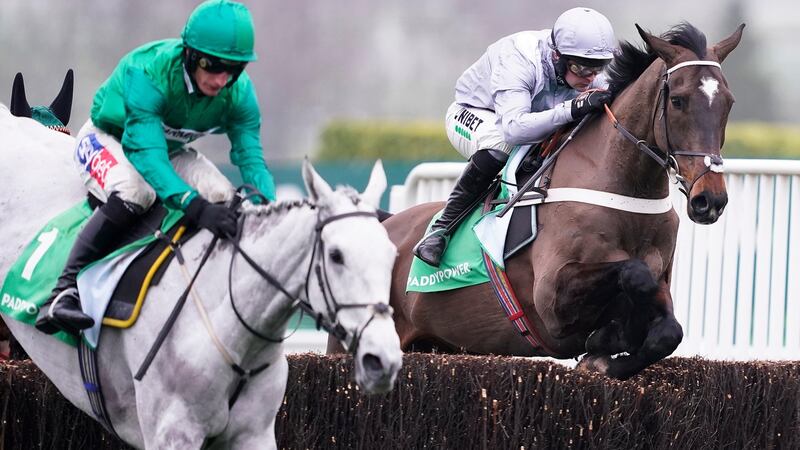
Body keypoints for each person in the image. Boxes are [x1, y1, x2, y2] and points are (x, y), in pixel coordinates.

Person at [35, 0, 276, 335]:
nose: (221, 80)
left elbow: (251, 159)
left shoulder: (240, 94)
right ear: (190, 54)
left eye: (233, 69)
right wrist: (194, 205)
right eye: (212, 65)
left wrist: (268, 210)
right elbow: (146, 154)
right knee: (137, 191)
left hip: (169, 147)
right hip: (111, 137)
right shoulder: (149, 72)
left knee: (224, 195)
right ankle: (63, 291)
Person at [413, 7, 618, 267]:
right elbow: (515, 129)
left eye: (598, 68)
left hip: (529, 120)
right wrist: (571, 109)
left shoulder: (583, 64)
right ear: (557, 56)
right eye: (580, 68)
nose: (590, 77)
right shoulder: (519, 59)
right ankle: (441, 230)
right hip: (476, 113)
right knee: (500, 144)